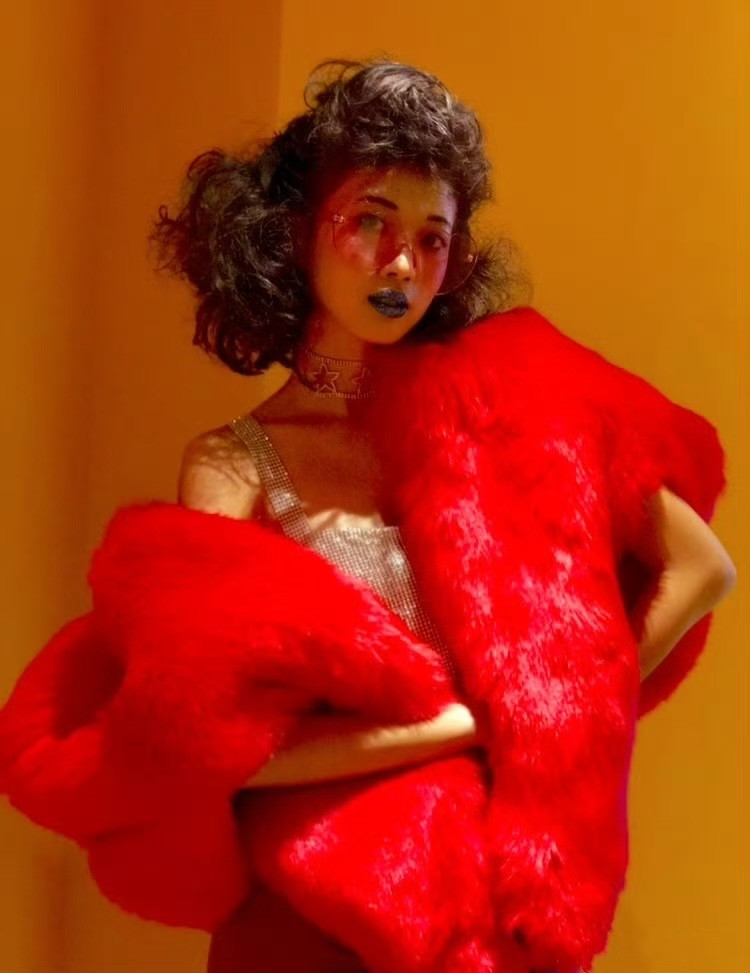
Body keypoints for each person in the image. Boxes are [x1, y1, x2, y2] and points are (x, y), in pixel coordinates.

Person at [0, 57, 735, 973]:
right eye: (370, 223)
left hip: (489, 913)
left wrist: (563, 706)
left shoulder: (511, 408)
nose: (402, 264)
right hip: (306, 925)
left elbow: (706, 569)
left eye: (432, 238)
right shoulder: (235, 463)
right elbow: (221, 752)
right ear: (291, 230)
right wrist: (480, 722)